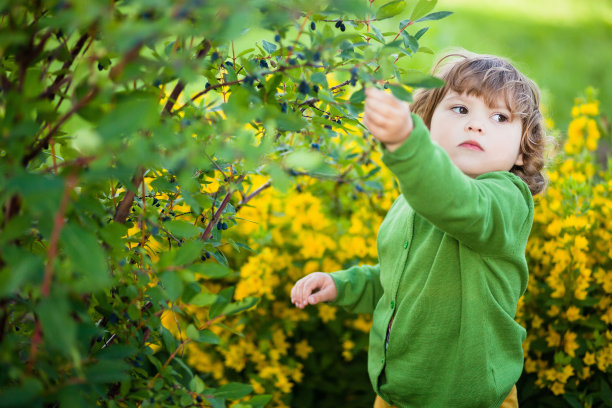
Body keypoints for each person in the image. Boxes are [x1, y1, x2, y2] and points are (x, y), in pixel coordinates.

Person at [290, 51, 549, 408]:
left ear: (522, 150)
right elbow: (402, 280)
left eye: (500, 117)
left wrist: (405, 144)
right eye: (460, 109)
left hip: (469, 399)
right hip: (397, 393)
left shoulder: (507, 201)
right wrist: (344, 285)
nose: (476, 125)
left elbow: (460, 205)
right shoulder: (414, 200)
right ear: (427, 122)